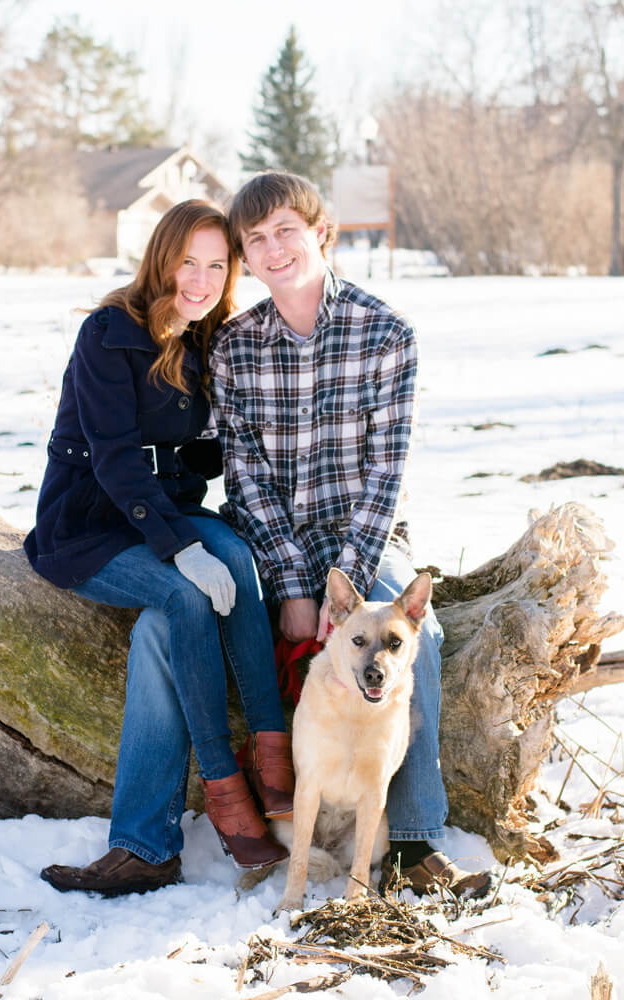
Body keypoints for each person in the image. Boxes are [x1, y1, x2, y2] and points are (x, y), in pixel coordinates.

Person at [208, 171, 492, 899]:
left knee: (411, 639)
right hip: (268, 541)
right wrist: (296, 588)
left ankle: (412, 837)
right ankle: (258, 811)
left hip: (361, 537)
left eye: (285, 231)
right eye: (255, 240)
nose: (273, 250)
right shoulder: (235, 346)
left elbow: (383, 478)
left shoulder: (386, 333)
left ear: (320, 230)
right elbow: (244, 477)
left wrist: (343, 593)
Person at [24, 199, 294, 897]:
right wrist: (179, 550)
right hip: (88, 525)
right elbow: (115, 460)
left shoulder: (207, 340)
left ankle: (273, 756)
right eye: (186, 263)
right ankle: (225, 788)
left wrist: (224, 442)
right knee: (181, 596)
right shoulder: (109, 334)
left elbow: (195, 459)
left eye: (215, 266)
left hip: (163, 513)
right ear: (161, 260)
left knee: (233, 556)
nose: (199, 281)